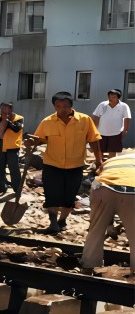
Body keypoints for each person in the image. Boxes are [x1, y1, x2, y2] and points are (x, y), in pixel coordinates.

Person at [26, 92, 103, 234]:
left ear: (71, 106)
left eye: (66, 106)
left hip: (75, 166)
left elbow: (94, 140)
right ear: (54, 107)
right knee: (52, 195)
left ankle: (62, 221)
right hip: (52, 165)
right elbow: (39, 139)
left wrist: (99, 160)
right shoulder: (47, 122)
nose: (62, 109)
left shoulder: (85, 120)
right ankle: (53, 223)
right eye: (58, 106)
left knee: (69, 197)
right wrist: (30, 142)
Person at [80, 154, 135, 273]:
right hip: (132, 191)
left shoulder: (113, 160)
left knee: (96, 229)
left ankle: (88, 266)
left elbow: (97, 176)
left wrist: (108, 224)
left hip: (101, 187)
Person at [0, 102, 24, 195]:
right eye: (2, 108)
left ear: (10, 109)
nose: (3, 110)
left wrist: (7, 121)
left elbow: (17, 129)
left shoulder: (19, 118)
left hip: (12, 146)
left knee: (14, 168)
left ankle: (17, 189)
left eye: (5, 108)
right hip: (0, 144)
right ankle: (1, 188)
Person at [91, 89, 131, 160]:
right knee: (100, 150)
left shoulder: (124, 106)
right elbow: (96, 117)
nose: (111, 99)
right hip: (101, 132)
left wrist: (125, 130)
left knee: (112, 151)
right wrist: (94, 129)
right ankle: (100, 164)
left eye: (113, 97)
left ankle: (110, 164)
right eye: (109, 97)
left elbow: (127, 118)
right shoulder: (102, 105)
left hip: (116, 133)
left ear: (118, 98)